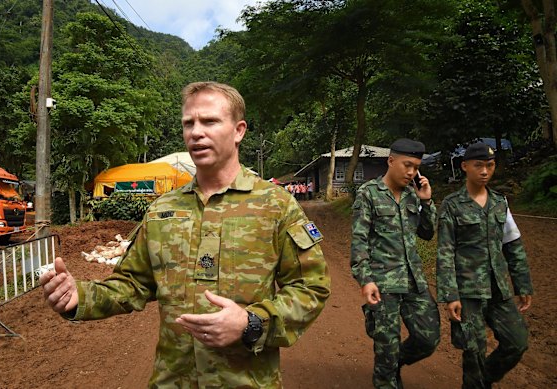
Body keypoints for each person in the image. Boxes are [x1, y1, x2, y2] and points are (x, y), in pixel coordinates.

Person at [40, 81, 331, 388]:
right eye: (188, 123)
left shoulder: (275, 205)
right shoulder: (161, 210)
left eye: (210, 121)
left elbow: (311, 287)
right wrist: (79, 298)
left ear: (238, 131)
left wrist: (252, 322)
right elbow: (132, 283)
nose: (196, 132)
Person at [436, 142, 533, 389]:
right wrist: (450, 295)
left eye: (490, 166)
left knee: (517, 341)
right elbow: (445, 251)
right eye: (478, 166)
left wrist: (522, 284)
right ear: (465, 166)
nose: (484, 171)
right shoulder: (452, 205)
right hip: (468, 291)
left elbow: (513, 245)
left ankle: (483, 379)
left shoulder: (500, 202)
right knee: (473, 350)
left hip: (498, 288)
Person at [351, 138, 440, 389]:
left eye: (416, 167)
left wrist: (426, 201)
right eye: (407, 165)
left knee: (428, 338)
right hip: (383, 283)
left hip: (413, 281)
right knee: (386, 347)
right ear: (391, 161)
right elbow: (359, 240)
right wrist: (366, 279)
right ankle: (387, 371)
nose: (411, 172)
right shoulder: (369, 193)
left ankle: (391, 363)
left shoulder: (413, 195)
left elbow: (427, 233)